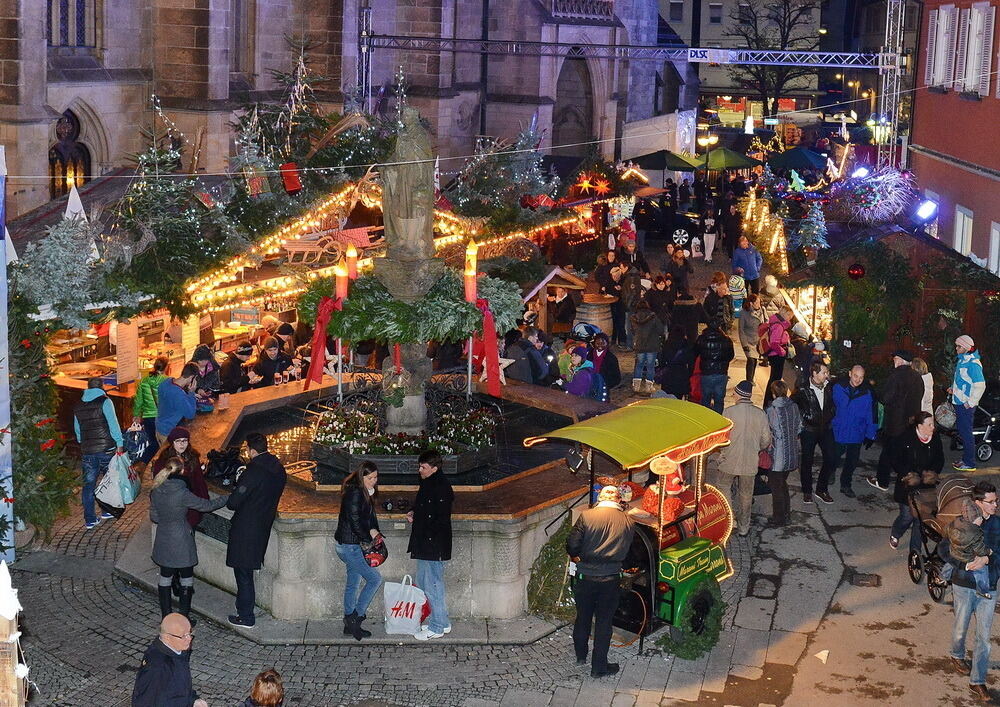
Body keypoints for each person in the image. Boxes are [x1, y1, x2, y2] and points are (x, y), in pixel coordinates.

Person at [566, 485, 635, 678]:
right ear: (619, 500)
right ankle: (599, 667)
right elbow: (630, 553)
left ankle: (581, 655)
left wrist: (578, 557)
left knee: (583, 616)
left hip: (585, 577)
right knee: (604, 622)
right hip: (610, 579)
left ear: (599, 498)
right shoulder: (628, 522)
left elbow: (572, 545)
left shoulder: (587, 516)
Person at [941, 481, 999, 703]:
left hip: (988, 588)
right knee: (961, 626)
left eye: (996, 501)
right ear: (978, 502)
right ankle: (957, 654)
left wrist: (988, 559)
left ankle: (977, 681)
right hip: (964, 585)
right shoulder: (960, 524)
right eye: (990, 502)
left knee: (984, 638)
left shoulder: (997, 525)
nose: (995, 505)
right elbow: (943, 549)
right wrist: (964, 565)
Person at [150, 458, 228, 620]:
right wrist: (227, 497)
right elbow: (206, 506)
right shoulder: (182, 493)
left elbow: (155, 517)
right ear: (182, 471)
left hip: (163, 539)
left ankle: (166, 618)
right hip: (182, 541)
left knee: (165, 578)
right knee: (186, 579)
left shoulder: (156, 489)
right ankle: (183, 619)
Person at [226, 433, 287, 628]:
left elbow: (234, 502)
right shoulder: (278, 468)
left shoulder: (253, 471)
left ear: (251, 450)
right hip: (263, 525)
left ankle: (246, 616)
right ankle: (244, 611)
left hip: (246, 528)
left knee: (243, 573)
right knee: (247, 571)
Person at [407, 449, 454, 640]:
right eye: (420, 466)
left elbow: (438, 518)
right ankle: (442, 621)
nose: (420, 470)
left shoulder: (440, 487)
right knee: (427, 582)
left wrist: (421, 522)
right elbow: (426, 507)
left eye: (423, 467)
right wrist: (414, 512)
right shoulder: (430, 482)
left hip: (432, 545)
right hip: (427, 544)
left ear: (434, 468)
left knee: (432, 585)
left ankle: (437, 627)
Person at [714, 381, 771, 536]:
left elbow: (722, 437)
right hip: (750, 461)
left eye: (735, 392)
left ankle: (730, 520)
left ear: (739, 394)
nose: (733, 394)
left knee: (723, 486)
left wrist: (722, 452)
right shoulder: (760, 414)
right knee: (746, 494)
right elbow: (766, 440)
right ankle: (744, 527)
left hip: (729, 460)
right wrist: (756, 449)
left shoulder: (728, 412)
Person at [335, 461, 384, 641]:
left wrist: (374, 531)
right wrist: (368, 539)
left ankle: (349, 622)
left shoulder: (364, 492)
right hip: (350, 546)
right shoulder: (355, 493)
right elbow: (355, 521)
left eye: (375, 477)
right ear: (361, 476)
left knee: (353, 583)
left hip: (349, 544)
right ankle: (356, 617)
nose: (373, 481)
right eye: (370, 478)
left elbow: (366, 518)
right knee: (375, 579)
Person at [869, 350, 924, 491]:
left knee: (888, 452)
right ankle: (909, 481)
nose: (893, 361)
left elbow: (886, 398)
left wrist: (877, 391)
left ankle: (882, 482)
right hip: (911, 422)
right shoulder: (917, 377)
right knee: (906, 453)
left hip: (895, 422)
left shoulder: (896, 376)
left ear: (899, 360)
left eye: (894, 359)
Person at [73, 377, 124, 529]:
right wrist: (119, 443)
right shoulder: (105, 401)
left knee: (88, 485)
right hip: (106, 449)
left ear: (88, 388)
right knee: (108, 482)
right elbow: (113, 424)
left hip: (88, 450)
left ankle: (90, 519)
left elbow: (77, 428)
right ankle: (106, 511)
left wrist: (83, 441)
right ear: (102, 387)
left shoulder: (78, 405)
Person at [889, 412, 944, 552]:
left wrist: (932, 473)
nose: (933, 427)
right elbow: (895, 459)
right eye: (929, 424)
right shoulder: (905, 438)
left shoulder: (935, 438)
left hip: (926, 487)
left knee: (921, 519)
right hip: (908, 486)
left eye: (933, 424)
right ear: (920, 426)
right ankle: (896, 532)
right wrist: (907, 474)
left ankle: (915, 551)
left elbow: (940, 459)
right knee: (907, 516)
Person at [131, 613, 208, 707]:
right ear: (167, 637)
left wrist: (193, 700)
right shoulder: (158, 666)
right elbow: (145, 702)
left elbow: (180, 686)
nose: (189, 638)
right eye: (183, 636)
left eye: (190, 633)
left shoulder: (178, 650)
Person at [831, 365, 878, 498]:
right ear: (850, 374)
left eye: (861, 377)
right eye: (856, 376)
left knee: (851, 462)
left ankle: (846, 485)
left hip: (856, 433)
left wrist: (871, 434)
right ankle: (830, 472)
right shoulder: (838, 387)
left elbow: (871, 415)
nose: (858, 380)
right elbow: (829, 405)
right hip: (839, 430)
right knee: (834, 456)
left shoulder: (867, 393)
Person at [792, 362, 836, 504]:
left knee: (831, 458)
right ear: (815, 373)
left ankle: (821, 489)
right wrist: (804, 418)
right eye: (824, 373)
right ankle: (807, 491)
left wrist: (831, 413)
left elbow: (832, 404)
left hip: (826, 428)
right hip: (809, 430)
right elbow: (792, 404)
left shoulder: (829, 386)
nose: (827, 375)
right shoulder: (802, 388)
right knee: (807, 461)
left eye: (827, 372)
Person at [151, 427, 210, 530]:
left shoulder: (193, 457)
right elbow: (158, 483)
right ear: (172, 442)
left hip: (189, 502)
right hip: (172, 503)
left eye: (185, 441)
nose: (182, 444)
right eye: (178, 441)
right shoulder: (164, 459)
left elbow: (199, 481)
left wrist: (204, 500)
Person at [765, 381, 802, 526]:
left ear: (773, 394)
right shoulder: (794, 407)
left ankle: (779, 518)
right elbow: (799, 427)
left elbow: (766, 433)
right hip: (791, 453)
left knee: (776, 487)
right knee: (782, 484)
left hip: (777, 455)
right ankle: (786, 513)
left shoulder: (771, 410)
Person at [950, 335, 987, 473]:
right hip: (960, 402)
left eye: (958, 346)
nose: (956, 348)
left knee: (966, 433)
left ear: (966, 347)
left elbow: (980, 386)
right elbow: (962, 380)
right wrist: (953, 389)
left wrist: (970, 402)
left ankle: (970, 463)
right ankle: (966, 459)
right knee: (963, 431)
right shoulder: (963, 360)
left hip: (965, 405)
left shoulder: (973, 364)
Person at [950, 498, 994, 599]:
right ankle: (982, 590)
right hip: (967, 556)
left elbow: (948, 530)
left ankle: (943, 577)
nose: (982, 520)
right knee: (981, 570)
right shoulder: (975, 532)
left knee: (949, 565)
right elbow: (979, 549)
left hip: (955, 551)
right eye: (980, 518)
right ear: (973, 520)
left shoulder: (957, 523)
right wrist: (988, 552)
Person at [132, 355, 169, 469]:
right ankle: (150, 464)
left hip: (148, 417)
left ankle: (143, 464)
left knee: (153, 442)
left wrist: (136, 414)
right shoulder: (168, 381)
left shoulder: (144, 381)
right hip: (162, 417)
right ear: (166, 367)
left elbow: (138, 400)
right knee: (162, 443)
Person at [694, 317, 735, 413]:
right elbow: (730, 355)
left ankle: (705, 418)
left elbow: (695, 353)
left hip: (706, 372)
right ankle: (718, 418)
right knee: (719, 400)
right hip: (721, 373)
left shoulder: (701, 339)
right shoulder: (726, 340)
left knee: (705, 399)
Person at [155, 363, 198, 446]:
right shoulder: (178, 394)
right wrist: (191, 393)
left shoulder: (166, 382)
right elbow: (190, 414)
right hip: (168, 433)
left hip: (159, 428)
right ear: (192, 377)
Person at [762, 307, 795, 407]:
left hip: (774, 355)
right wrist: (782, 352)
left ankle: (769, 401)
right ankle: (770, 401)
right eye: (789, 316)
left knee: (774, 378)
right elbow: (774, 343)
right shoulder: (779, 326)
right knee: (775, 380)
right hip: (776, 356)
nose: (790, 318)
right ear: (785, 314)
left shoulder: (776, 323)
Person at [630, 300, 661, 394]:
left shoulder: (633, 318)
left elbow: (632, 331)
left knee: (639, 365)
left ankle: (636, 386)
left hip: (639, 345)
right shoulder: (653, 317)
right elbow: (660, 330)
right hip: (652, 344)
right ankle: (648, 387)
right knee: (650, 366)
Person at [658, 327, 695, 399]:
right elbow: (691, 361)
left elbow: (662, 359)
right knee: (678, 397)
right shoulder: (686, 345)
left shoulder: (667, 344)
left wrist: (662, 369)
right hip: (681, 373)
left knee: (667, 397)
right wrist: (690, 374)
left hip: (668, 373)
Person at [738, 294, 765, 383]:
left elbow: (766, 322)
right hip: (748, 340)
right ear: (751, 303)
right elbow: (741, 330)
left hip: (758, 341)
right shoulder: (744, 313)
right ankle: (749, 381)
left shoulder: (762, 311)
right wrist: (744, 344)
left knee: (755, 360)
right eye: (756, 302)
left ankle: (751, 379)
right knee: (751, 360)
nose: (758, 304)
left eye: (759, 302)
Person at [188, 345, 220, 412]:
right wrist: (197, 390)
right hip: (194, 401)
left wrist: (210, 391)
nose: (202, 362)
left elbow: (216, 386)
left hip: (210, 401)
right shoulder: (190, 367)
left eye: (205, 360)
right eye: (200, 360)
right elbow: (185, 387)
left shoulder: (213, 368)